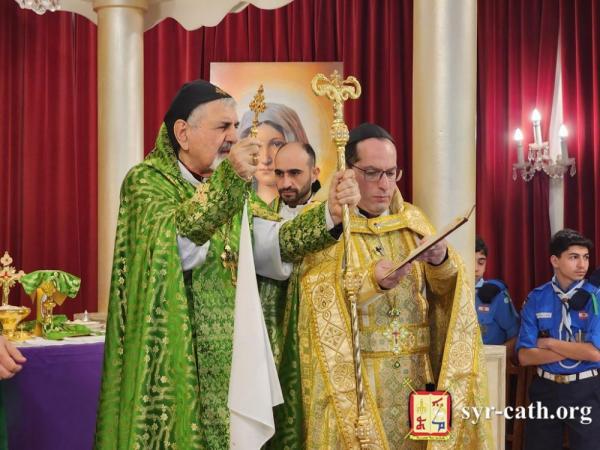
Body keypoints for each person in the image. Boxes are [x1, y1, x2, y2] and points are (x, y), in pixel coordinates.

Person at [95, 80, 360, 450]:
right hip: (177, 361)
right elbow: (176, 247)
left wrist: (329, 214)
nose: (234, 137)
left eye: (235, 126)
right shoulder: (147, 182)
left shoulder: (231, 188)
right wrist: (229, 181)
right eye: (223, 127)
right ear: (183, 133)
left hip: (233, 356)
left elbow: (272, 245)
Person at [295, 123, 493, 449]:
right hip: (361, 384)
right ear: (349, 171)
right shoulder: (330, 226)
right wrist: (372, 283)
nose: (385, 184)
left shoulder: (413, 221)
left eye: (391, 173)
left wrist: (441, 261)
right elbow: (318, 298)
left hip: (419, 377)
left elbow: (448, 298)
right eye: (373, 173)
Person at [516, 229, 600, 450]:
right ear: (555, 260)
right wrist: (576, 350)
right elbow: (525, 356)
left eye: (586, 257)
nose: (582, 264)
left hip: (585, 389)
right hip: (546, 389)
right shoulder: (536, 298)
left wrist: (549, 343)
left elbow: (594, 353)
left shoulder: (596, 297)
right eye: (574, 257)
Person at [239, 103, 309, 204]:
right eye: (255, 145)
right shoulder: (237, 206)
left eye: (276, 144)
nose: (265, 159)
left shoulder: (311, 209)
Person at [475, 236, 520, 345]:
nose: (476, 268)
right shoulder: (450, 292)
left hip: (489, 354)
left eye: (481, 262)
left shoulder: (495, 294)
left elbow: (515, 337)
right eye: (470, 261)